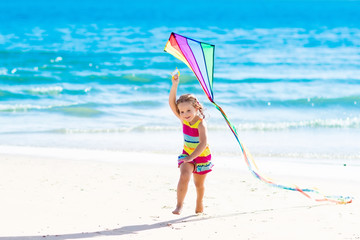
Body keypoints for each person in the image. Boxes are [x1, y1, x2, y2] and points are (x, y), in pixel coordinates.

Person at [169, 72, 213, 215]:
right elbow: (171, 103)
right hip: (187, 154)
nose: (185, 114)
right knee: (184, 176)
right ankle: (179, 205)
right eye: (182, 111)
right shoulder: (183, 119)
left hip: (201, 156)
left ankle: (199, 202)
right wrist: (174, 85)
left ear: (196, 108)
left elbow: (203, 143)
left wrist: (192, 156)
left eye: (189, 110)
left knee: (199, 184)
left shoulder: (201, 124)